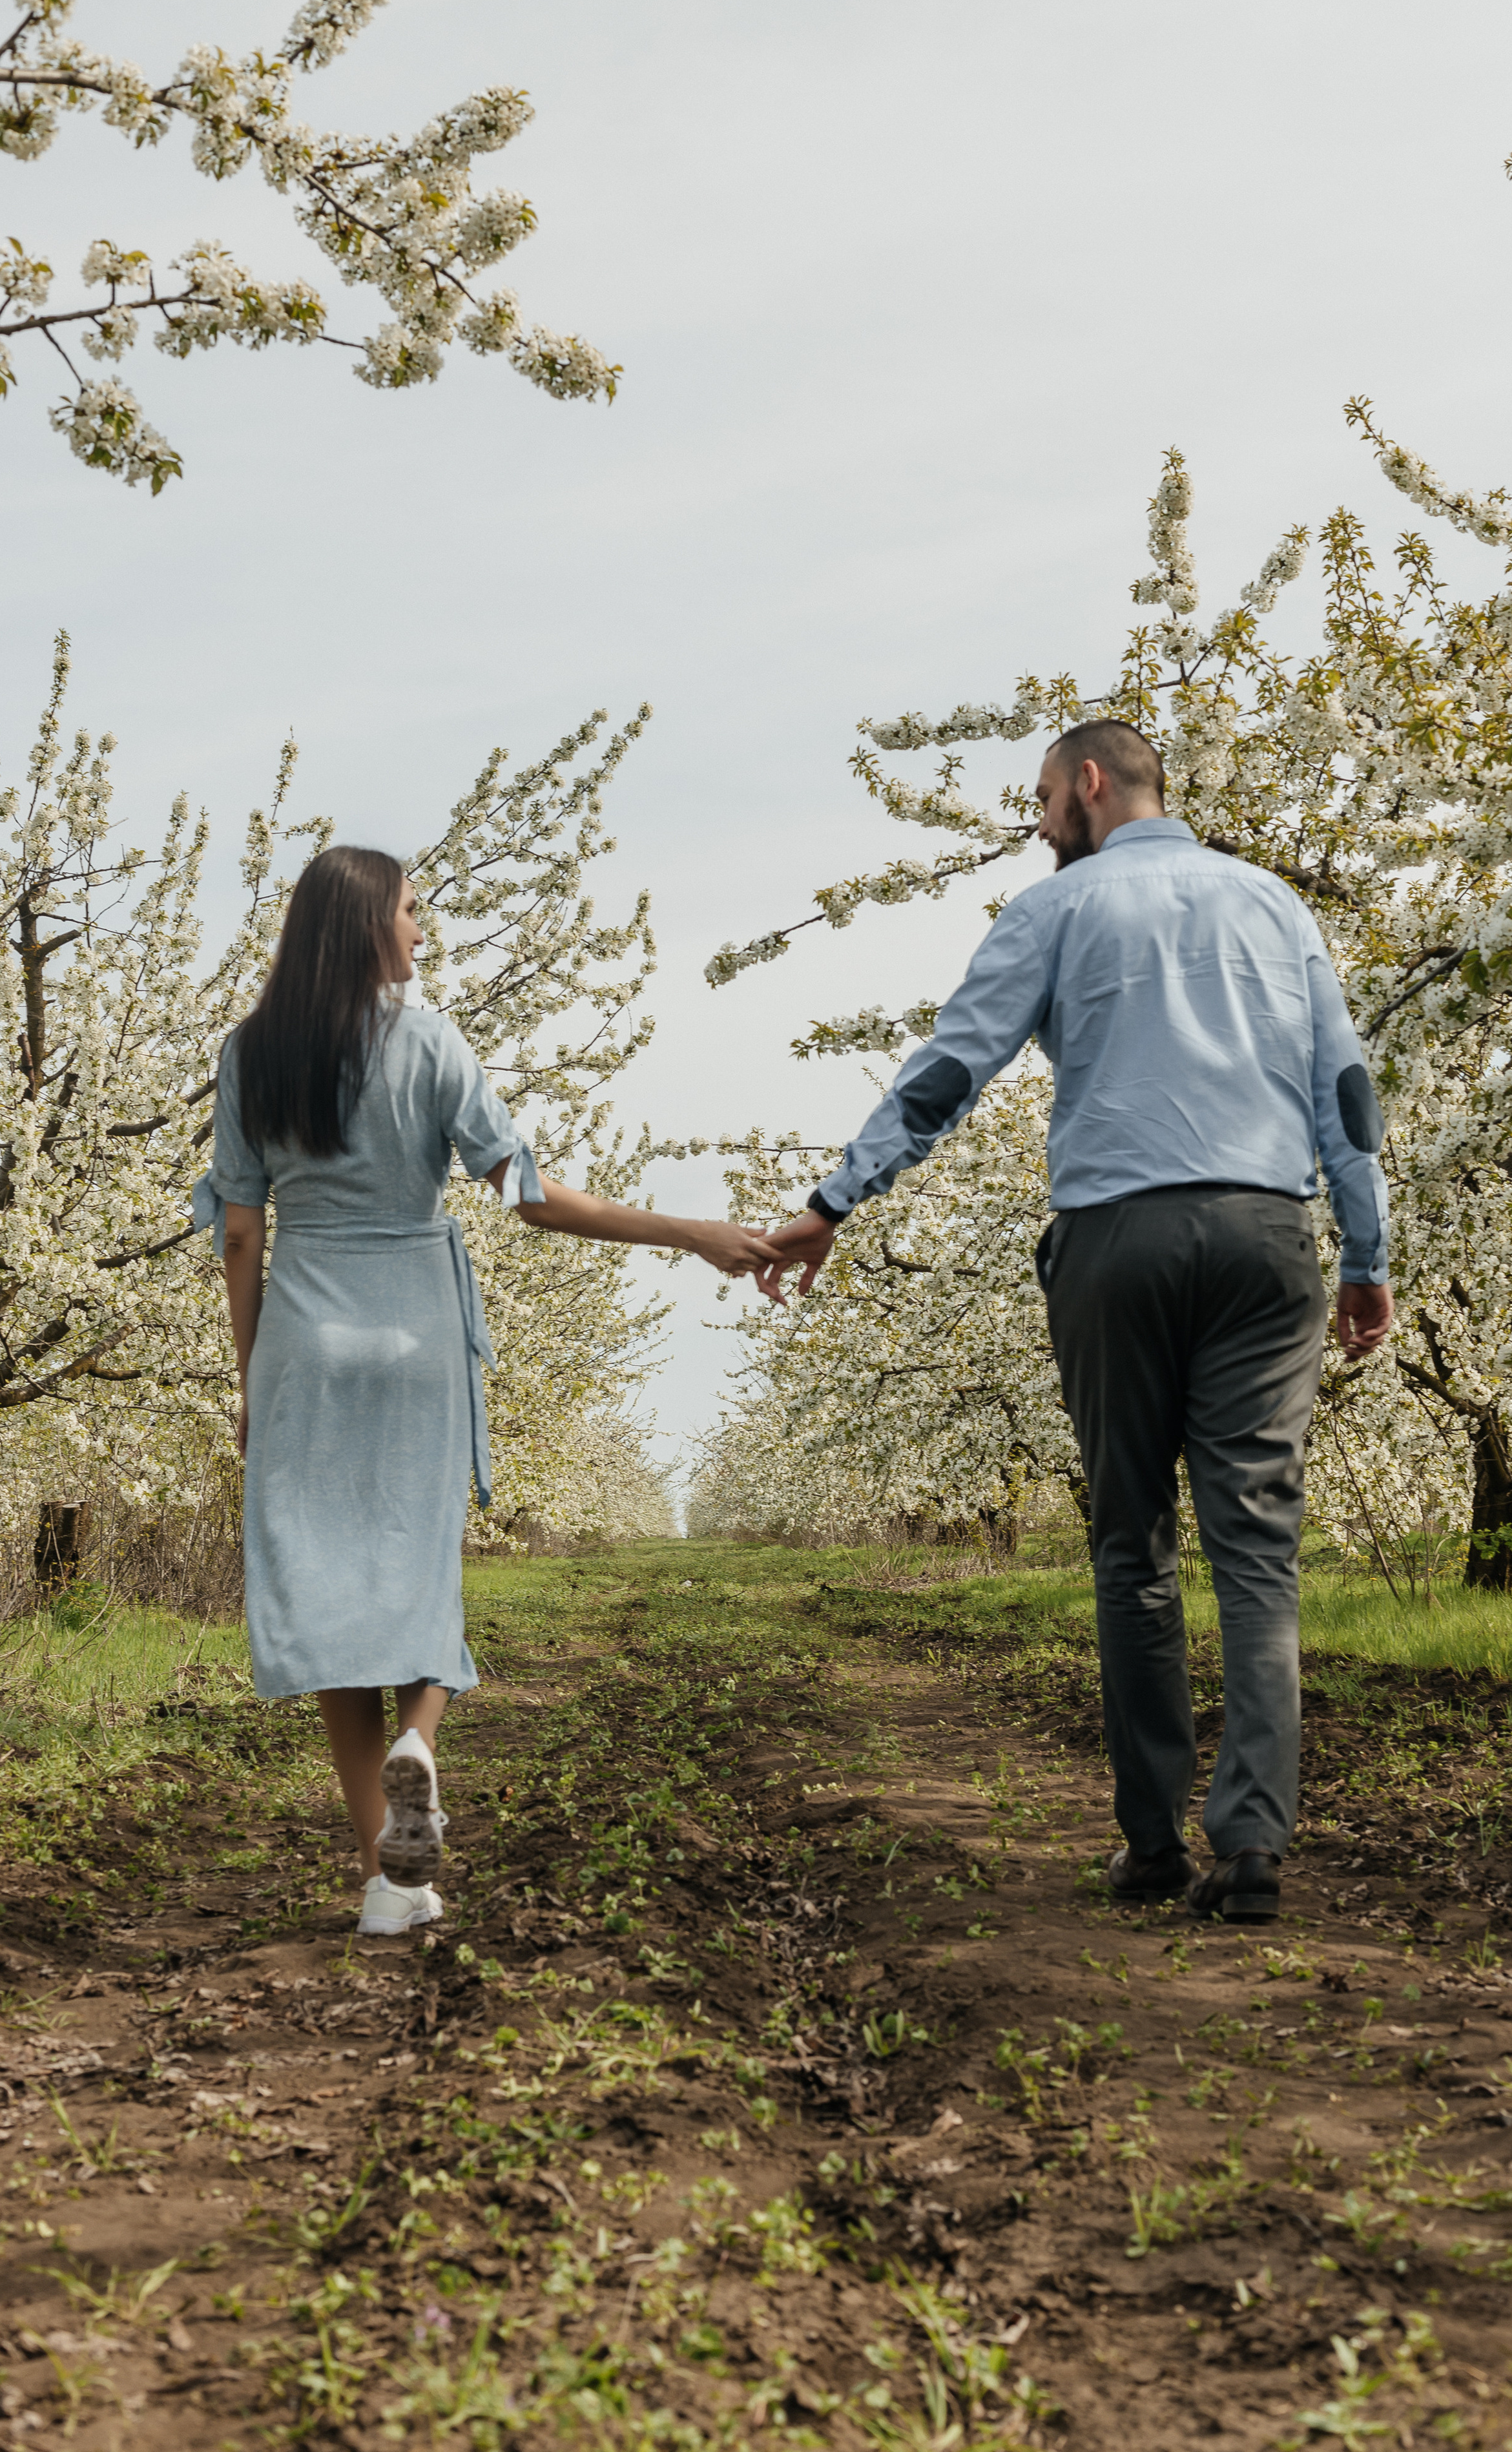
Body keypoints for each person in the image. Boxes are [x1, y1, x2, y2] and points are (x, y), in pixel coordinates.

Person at [758, 721, 1392, 1924]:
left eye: (1044, 797)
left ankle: (1153, 1845)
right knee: (1257, 1551)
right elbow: (1344, 1092)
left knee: (1132, 1542)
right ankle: (1252, 1848)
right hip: (1267, 1237)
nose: (1042, 820)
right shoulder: (1277, 908)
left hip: (1118, 1242)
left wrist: (837, 1199)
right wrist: (1365, 1254)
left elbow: (952, 1070)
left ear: (1089, 785)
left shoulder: (1054, 911)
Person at [194, 847, 771, 1936]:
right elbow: (532, 1197)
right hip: (417, 1334)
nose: (424, 932)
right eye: (413, 913)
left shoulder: (249, 1056)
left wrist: (251, 1374)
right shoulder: (429, 1043)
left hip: (303, 1343)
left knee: (329, 1592)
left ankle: (386, 1883)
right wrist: (689, 1231)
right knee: (418, 1567)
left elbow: (236, 1231)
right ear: (369, 928)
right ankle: (423, 1741)